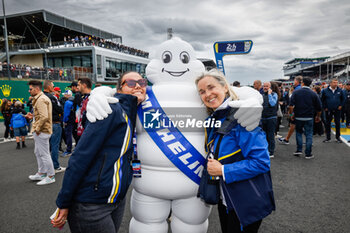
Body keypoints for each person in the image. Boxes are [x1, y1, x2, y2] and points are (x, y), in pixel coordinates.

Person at [52, 72, 146, 233]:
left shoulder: (131, 112)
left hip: (115, 200)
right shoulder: (110, 110)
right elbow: (81, 156)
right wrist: (64, 201)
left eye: (142, 82)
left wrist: (100, 91)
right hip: (91, 204)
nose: (137, 86)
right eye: (130, 83)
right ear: (120, 89)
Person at [196, 69, 275, 233]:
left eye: (211, 87)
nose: (207, 94)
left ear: (225, 87)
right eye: (202, 91)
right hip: (227, 199)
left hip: (245, 200)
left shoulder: (242, 116)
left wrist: (223, 169)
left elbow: (261, 162)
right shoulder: (216, 117)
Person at [27, 80, 55, 185]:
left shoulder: (41, 99)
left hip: (42, 131)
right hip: (41, 130)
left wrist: (37, 128)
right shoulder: (40, 98)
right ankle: (42, 173)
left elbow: (44, 117)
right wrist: (33, 116)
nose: (29, 91)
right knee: (38, 153)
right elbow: (41, 115)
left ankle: (50, 176)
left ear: (37, 89)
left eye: (30, 89)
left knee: (44, 154)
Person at [289, 77, 322, 159]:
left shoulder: (296, 92)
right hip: (309, 116)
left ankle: (299, 150)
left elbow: (291, 105)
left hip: (298, 116)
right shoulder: (313, 93)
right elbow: (319, 108)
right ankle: (308, 153)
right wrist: (318, 116)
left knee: (299, 133)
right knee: (309, 134)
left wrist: (292, 114)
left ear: (302, 83)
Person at [43, 80, 65, 173]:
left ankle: (46, 167)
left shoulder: (41, 97)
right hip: (54, 123)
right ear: (48, 87)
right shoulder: (52, 97)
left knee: (46, 147)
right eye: (53, 86)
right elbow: (60, 109)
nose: (53, 88)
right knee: (55, 145)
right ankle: (55, 166)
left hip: (45, 124)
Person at [278, 76, 303, 145]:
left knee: (294, 125)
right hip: (301, 110)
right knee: (297, 126)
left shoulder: (297, 89)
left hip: (296, 111)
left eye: (294, 80)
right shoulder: (298, 88)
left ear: (297, 81)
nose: (293, 82)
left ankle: (288, 140)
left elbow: (293, 103)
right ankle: (287, 139)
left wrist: (291, 113)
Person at [321, 78, 345, 143]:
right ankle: (328, 138)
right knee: (328, 123)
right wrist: (324, 107)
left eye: (336, 82)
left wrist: (341, 105)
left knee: (337, 123)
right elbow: (322, 100)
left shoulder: (340, 90)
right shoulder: (325, 90)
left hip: (337, 109)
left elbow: (343, 99)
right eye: (334, 82)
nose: (336, 84)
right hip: (328, 109)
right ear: (330, 83)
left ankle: (338, 137)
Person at [260, 82, 278, 158]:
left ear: (270, 87)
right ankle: (266, 150)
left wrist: (270, 94)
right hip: (263, 118)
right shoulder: (262, 95)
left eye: (267, 86)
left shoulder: (274, 94)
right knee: (264, 135)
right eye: (264, 86)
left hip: (271, 118)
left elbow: (272, 103)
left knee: (270, 135)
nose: (265, 88)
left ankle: (271, 152)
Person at [62, 90, 75, 157]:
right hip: (74, 120)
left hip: (69, 121)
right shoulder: (74, 101)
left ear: (68, 95)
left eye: (65, 94)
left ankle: (68, 150)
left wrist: (65, 121)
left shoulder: (68, 102)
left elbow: (66, 113)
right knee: (74, 135)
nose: (64, 95)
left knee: (68, 135)